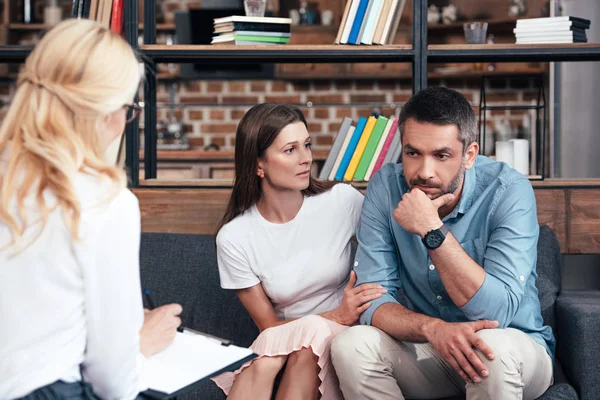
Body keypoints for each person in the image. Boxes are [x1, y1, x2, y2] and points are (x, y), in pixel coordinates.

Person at [330, 87, 555, 400]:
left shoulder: (509, 191)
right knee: (351, 344)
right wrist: (433, 329)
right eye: (413, 153)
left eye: (441, 155)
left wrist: (431, 230)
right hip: (431, 349)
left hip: (513, 347)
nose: (424, 172)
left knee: (491, 349)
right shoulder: (385, 186)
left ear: (470, 155)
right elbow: (373, 301)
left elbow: (497, 312)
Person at [0, 19, 181, 400]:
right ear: (105, 112)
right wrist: (141, 345)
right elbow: (112, 381)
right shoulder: (104, 200)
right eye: (130, 108)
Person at [212, 103, 385, 400]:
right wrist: (335, 314)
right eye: (290, 150)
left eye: (306, 145)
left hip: (342, 334)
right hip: (285, 337)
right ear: (258, 165)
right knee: (271, 359)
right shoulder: (234, 237)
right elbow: (269, 327)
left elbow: (390, 245)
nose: (307, 159)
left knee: (307, 348)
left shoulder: (341, 201)